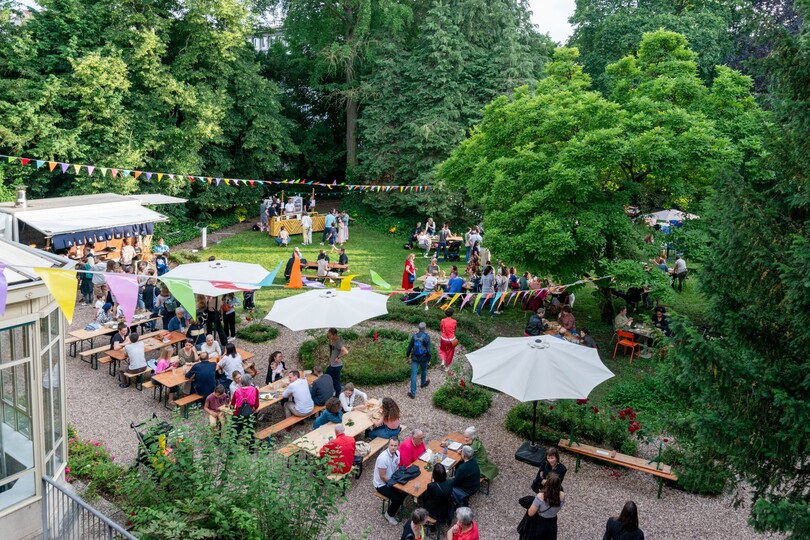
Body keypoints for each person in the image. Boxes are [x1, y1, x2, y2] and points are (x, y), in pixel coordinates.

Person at [520, 472, 565, 540]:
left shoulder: (541, 496)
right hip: (552, 522)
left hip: (540, 521)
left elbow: (530, 513)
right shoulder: (562, 495)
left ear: (548, 483)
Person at [373, 438, 405, 526]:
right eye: (391, 445)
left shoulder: (397, 453)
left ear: (398, 446)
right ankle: (389, 514)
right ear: (388, 445)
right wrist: (395, 484)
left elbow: (396, 468)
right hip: (381, 484)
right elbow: (382, 476)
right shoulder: (383, 458)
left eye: (395, 445)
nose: (393, 447)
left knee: (405, 490)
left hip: (391, 478)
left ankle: (395, 505)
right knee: (398, 498)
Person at [406, 322, 431, 399]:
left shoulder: (414, 336)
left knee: (413, 374)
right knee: (424, 370)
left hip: (415, 358)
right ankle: (423, 383)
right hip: (423, 357)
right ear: (425, 328)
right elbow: (429, 350)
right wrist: (429, 359)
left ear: (418, 328)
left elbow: (409, 347)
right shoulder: (427, 337)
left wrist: (407, 356)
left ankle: (412, 393)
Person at [327, 328, 348, 396]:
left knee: (334, 380)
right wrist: (330, 339)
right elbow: (332, 345)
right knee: (330, 377)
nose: (328, 336)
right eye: (328, 335)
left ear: (335, 334)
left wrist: (338, 357)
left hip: (336, 366)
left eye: (330, 335)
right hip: (332, 364)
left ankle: (337, 395)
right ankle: (333, 390)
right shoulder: (336, 338)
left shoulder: (338, 342)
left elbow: (345, 351)